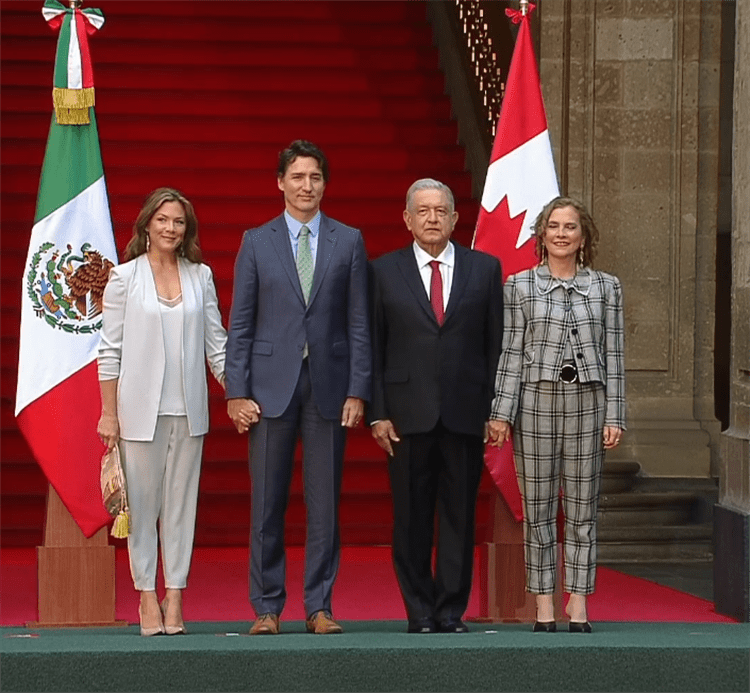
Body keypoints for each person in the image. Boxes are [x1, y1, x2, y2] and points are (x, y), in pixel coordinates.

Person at [225, 140, 370, 635]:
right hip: (268, 389)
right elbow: (240, 325)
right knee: (267, 501)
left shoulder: (347, 240)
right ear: (281, 183)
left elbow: (359, 323)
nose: (307, 186)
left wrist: (358, 389)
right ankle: (266, 607)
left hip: (329, 385)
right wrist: (236, 391)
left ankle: (319, 607)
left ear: (324, 184)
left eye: (315, 177)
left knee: (324, 502)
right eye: (298, 177)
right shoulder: (256, 241)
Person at [367, 178, 504, 634]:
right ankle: (419, 610)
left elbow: (494, 345)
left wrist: (493, 408)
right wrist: (377, 411)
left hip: (466, 413)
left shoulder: (484, 269)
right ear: (407, 219)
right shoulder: (383, 271)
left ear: (455, 218)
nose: (431, 219)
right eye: (422, 211)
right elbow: (373, 346)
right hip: (406, 415)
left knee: (458, 518)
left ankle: (450, 610)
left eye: (440, 211)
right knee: (410, 519)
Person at [488, 196, 626, 633]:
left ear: (583, 237)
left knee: (584, 509)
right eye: (554, 226)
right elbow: (510, 354)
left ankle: (579, 602)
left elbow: (616, 355)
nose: (562, 233)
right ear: (542, 235)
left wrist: (615, 415)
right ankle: (544, 602)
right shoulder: (519, 286)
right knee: (540, 509)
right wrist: (500, 413)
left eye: (570, 227)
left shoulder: (607, 287)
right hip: (535, 405)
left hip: (589, 404)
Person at [97, 187, 227, 636]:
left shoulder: (201, 276)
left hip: (190, 412)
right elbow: (109, 352)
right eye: (163, 220)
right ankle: (146, 597)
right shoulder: (123, 277)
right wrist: (108, 414)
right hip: (138, 414)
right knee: (145, 508)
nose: (171, 228)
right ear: (146, 225)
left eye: (178, 222)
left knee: (180, 509)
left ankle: (175, 596)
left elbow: (218, 347)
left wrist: (240, 392)